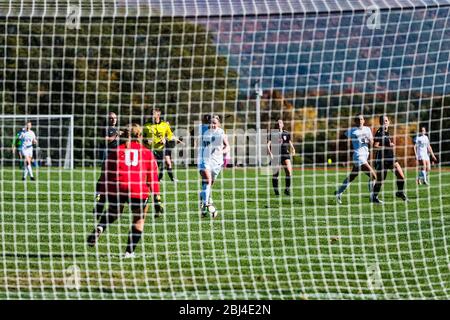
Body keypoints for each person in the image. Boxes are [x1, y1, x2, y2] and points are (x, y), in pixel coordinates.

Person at [87, 123, 164, 258]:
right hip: (137, 189)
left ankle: (100, 228)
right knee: (139, 220)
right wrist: (157, 199)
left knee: (114, 211)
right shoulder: (146, 153)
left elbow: (103, 177)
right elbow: (153, 178)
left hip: (117, 187)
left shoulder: (114, 152)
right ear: (140, 135)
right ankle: (129, 252)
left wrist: (99, 202)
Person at [335, 114, 377, 204]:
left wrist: (369, 141)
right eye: (358, 119)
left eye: (361, 119)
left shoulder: (367, 129)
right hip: (358, 156)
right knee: (373, 176)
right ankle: (372, 197)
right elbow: (343, 138)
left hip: (365, 155)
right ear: (355, 121)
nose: (360, 121)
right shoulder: (352, 130)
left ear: (364, 120)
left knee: (352, 176)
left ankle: (338, 193)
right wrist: (346, 149)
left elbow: (372, 142)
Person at [197, 115, 230, 217]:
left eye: (215, 123)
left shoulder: (221, 132)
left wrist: (223, 151)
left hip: (217, 163)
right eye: (211, 123)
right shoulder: (203, 129)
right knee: (208, 180)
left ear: (218, 124)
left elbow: (228, 146)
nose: (212, 125)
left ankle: (203, 200)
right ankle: (207, 203)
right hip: (204, 161)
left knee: (209, 185)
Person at [371, 115, 408, 203]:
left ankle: (400, 192)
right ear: (380, 122)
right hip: (382, 159)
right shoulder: (379, 132)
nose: (385, 122)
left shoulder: (387, 132)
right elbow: (375, 146)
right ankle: (374, 197)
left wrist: (390, 144)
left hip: (391, 157)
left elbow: (387, 143)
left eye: (386, 121)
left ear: (389, 122)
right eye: (383, 121)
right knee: (380, 180)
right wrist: (387, 146)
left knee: (401, 176)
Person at [93, 112, 122, 219]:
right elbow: (105, 140)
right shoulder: (106, 129)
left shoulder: (118, 129)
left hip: (118, 156)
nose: (113, 120)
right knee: (104, 176)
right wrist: (116, 135)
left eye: (115, 118)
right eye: (111, 118)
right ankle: (98, 194)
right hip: (108, 154)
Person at [142, 108, 175, 181]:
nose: (151, 115)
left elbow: (170, 135)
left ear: (158, 115)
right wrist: (146, 140)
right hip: (152, 149)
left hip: (163, 147)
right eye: (151, 114)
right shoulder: (146, 125)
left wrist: (165, 139)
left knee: (168, 163)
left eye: (153, 114)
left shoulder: (165, 124)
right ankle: (156, 179)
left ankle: (172, 178)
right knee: (155, 166)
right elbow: (141, 137)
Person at [267, 119, 295, 196]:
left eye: (280, 123)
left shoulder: (286, 133)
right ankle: (276, 190)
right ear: (276, 125)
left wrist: (293, 149)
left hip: (285, 154)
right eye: (278, 123)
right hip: (276, 154)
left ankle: (287, 189)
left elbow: (289, 142)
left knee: (289, 172)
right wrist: (270, 153)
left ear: (282, 125)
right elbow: (268, 144)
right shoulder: (273, 133)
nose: (279, 124)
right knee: (276, 174)